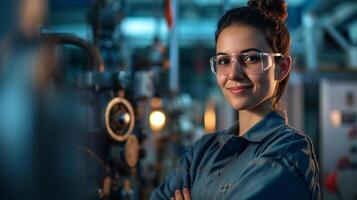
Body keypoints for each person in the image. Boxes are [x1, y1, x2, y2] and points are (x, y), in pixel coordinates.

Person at [150, 0, 321, 199]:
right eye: (223, 61)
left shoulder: (287, 151)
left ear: (281, 67)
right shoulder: (202, 152)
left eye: (251, 58)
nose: (233, 74)